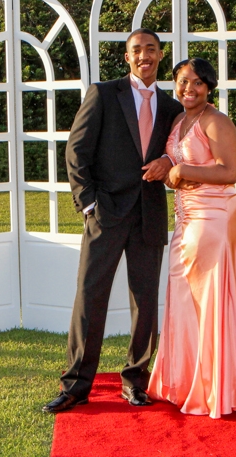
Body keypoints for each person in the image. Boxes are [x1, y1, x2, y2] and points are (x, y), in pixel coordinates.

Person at [43, 28, 184, 413]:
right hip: (104, 213)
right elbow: (76, 150)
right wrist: (88, 203)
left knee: (146, 302)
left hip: (148, 214)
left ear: (160, 55)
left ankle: (135, 381)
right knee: (90, 296)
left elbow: (181, 150)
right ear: (127, 57)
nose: (144, 56)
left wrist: (168, 161)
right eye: (137, 50)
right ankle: (76, 385)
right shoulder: (103, 94)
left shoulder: (171, 108)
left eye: (151, 49)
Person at [147, 58, 236, 419]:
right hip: (186, 218)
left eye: (197, 82)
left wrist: (182, 169)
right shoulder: (179, 120)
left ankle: (214, 389)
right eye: (182, 81)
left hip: (215, 218)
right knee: (183, 300)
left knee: (210, 303)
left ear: (209, 86)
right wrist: (169, 167)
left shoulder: (216, 121)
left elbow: (229, 171)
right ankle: (184, 382)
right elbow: (175, 162)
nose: (188, 89)